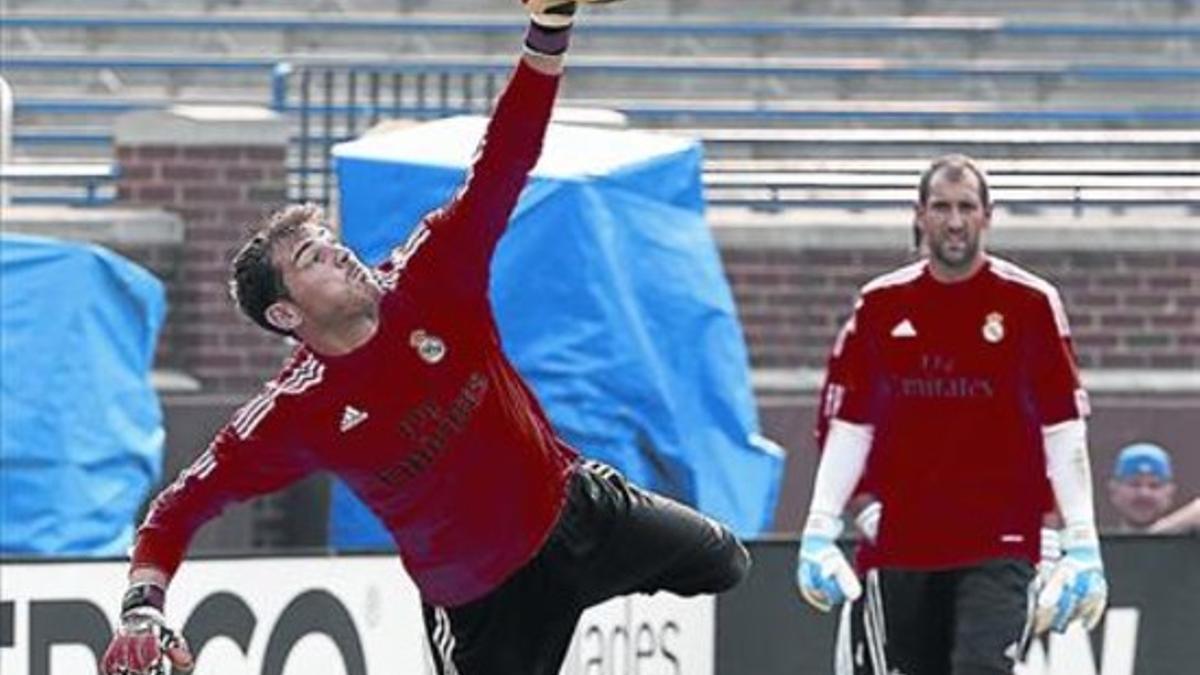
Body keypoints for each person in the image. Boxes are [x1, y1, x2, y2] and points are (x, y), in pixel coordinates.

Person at [99, 3, 750, 674]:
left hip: (577, 510)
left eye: (330, 240)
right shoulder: (295, 411)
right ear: (287, 315)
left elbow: (505, 157)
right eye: (312, 260)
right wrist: (143, 606)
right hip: (484, 601)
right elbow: (177, 507)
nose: (339, 254)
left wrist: (548, 31)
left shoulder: (435, 272)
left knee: (727, 561)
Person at [795, 154, 1108, 675]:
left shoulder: (1029, 303)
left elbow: (1062, 427)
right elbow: (852, 424)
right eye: (942, 207)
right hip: (902, 539)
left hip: (1001, 537)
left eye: (967, 207)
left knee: (981, 666)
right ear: (919, 214)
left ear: (988, 215)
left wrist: (1082, 541)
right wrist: (821, 525)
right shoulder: (881, 304)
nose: (955, 221)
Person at [1107, 442, 1178, 531]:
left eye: (1154, 485)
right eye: (1134, 484)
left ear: (1170, 493)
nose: (1144, 493)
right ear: (1114, 491)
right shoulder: (1093, 542)